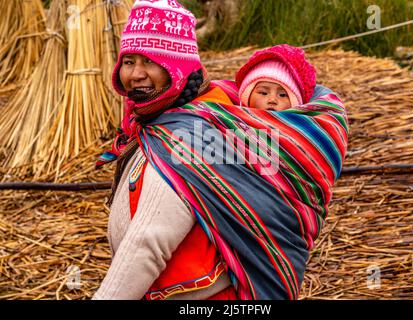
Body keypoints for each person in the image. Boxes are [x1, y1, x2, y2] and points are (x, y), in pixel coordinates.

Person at [94, 0, 349, 300]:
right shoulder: (163, 120)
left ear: (177, 67)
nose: (135, 74)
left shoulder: (191, 135)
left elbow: (148, 243)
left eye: (150, 61)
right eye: (128, 61)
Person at [235, 45, 316, 112]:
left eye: (282, 95)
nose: (272, 100)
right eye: (263, 93)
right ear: (247, 95)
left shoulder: (303, 128)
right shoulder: (231, 120)